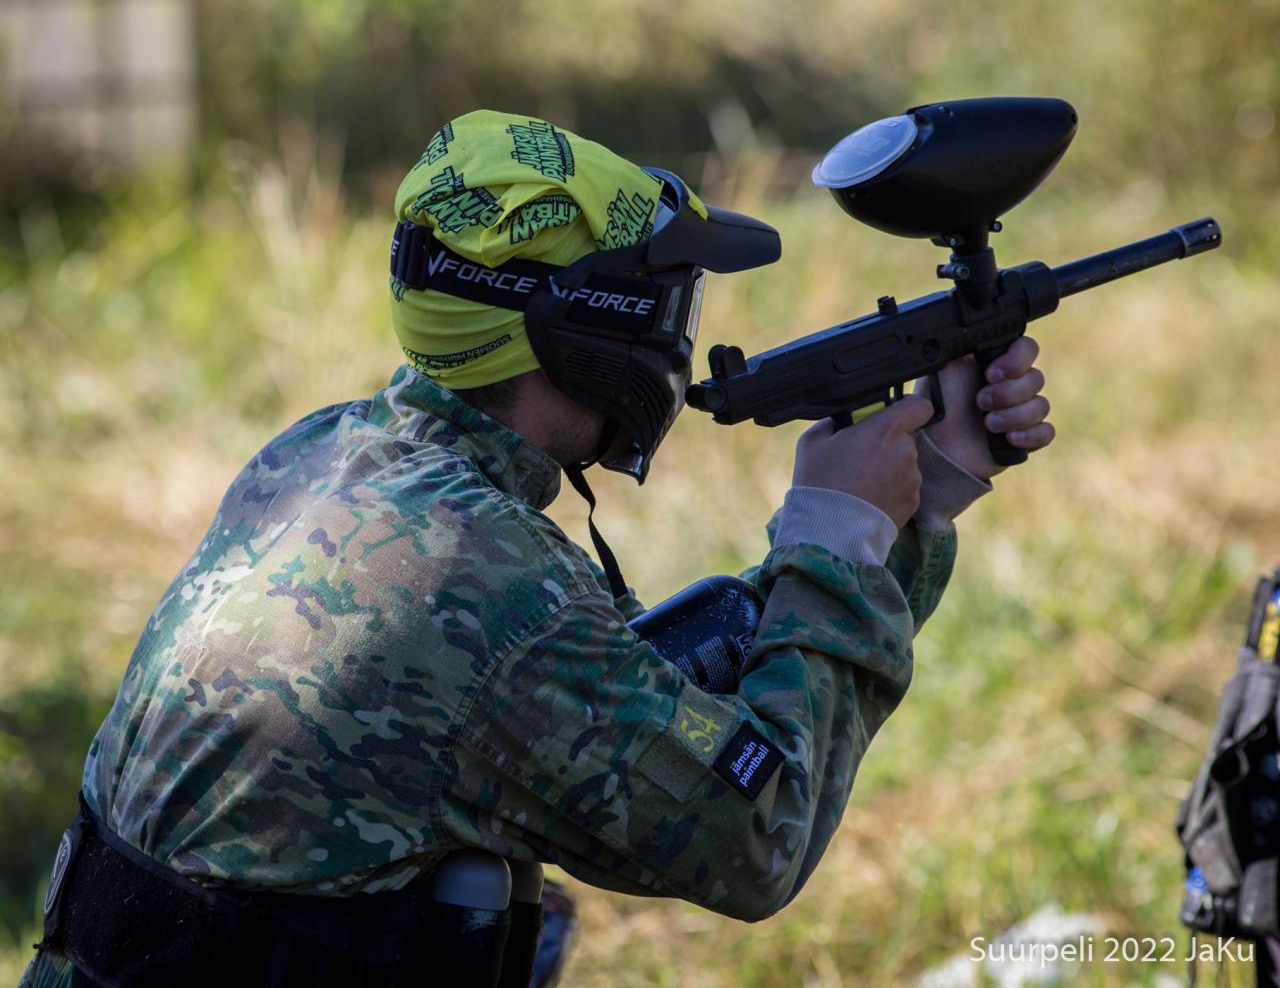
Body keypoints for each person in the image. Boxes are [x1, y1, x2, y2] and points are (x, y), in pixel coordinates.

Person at [23, 110, 1053, 987]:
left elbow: (624, 705)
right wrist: (839, 533)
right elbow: (756, 837)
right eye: (670, 301)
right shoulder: (490, 588)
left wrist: (920, 503)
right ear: (589, 326)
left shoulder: (323, 454)